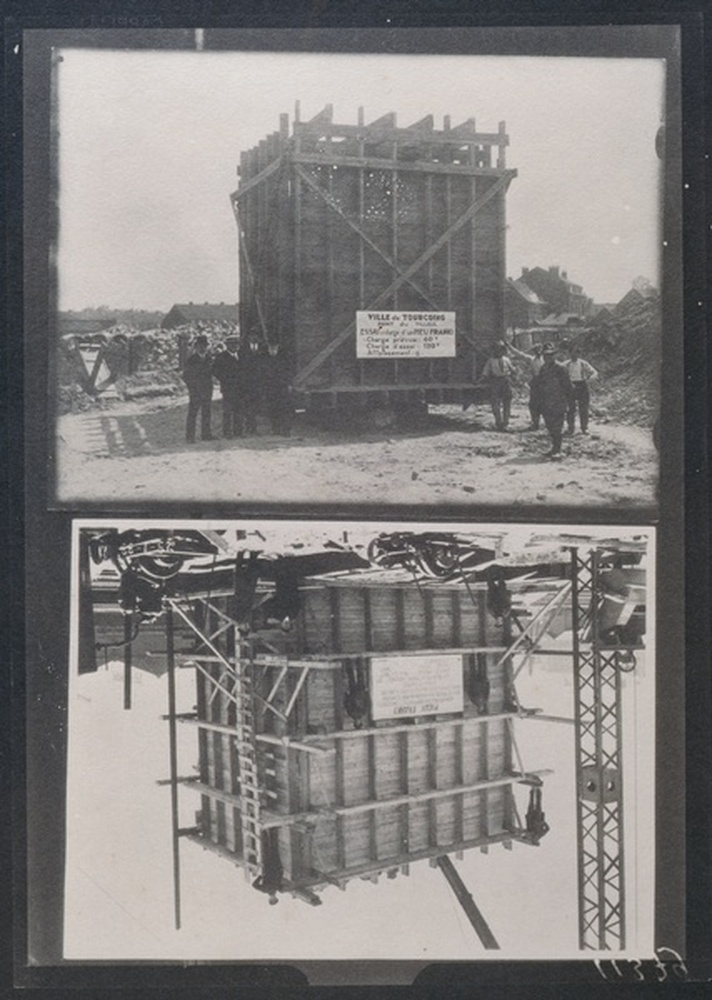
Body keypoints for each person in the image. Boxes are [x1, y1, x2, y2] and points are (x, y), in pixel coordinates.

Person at [537, 344, 573, 459]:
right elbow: (540, 385)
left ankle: (557, 449)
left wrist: (569, 401)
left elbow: (567, 386)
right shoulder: (543, 368)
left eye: (550, 355)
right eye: (545, 355)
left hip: (558, 401)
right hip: (546, 401)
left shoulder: (560, 368)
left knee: (557, 426)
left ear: (554, 356)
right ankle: (554, 447)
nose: (547, 358)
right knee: (549, 425)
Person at [182, 334, 214, 442]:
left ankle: (206, 434)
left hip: (207, 389)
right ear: (196, 347)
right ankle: (190, 437)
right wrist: (193, 388)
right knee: (193, 413)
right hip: (195, 390)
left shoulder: (209, 358)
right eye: (200, 346)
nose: (202, 348)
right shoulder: (191, 360)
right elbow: (186, 376)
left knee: (207, 412)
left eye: (204, 346)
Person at [211, 336, 243, 438]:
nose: (235, 347)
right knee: (228, 411)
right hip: (228, 387)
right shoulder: (221, 357)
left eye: (236, 344)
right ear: (227, 346)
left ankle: (238, 431)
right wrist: (225, 379)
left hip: (239, 387)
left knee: (239, 410)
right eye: (232, 344)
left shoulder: (241, 356)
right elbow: (215, 371)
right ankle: (227, 432)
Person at [508, 341, 545, 429]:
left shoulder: (546, 360)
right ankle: (535, 422)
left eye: (540, 350)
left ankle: (547, 422)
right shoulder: (531, 359)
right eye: (536, 350)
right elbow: (519, 354)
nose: (538, 352)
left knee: (546, 402)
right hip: (536, 382)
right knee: (533, 403)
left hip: (545, 381)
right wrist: (509, 346)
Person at [565, 345, 598, 434]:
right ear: (569, 353)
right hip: (570, 386)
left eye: (577, 352)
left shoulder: (583, 363)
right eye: (573, 352)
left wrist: (588, 380)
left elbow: (594, 372)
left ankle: (584, 428)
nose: (574, 354)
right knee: (570, 408)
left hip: (582, 385)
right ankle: (570, 428)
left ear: (579, 354)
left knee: (584, 408)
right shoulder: (566, 364)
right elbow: (559, 374)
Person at [481, 342, 514, 430]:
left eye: (501, 349)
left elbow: (512, 369)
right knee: (495, 402)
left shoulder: (506, 359)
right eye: (497, 349)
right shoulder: (491, 361)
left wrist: (515, 376)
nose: (499, 352)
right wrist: (479, 380)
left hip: (506, 381)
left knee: (507, 401)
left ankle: (506, 422)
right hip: (495, 381)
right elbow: (485, 373)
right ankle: (498, 422)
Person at [261, 343, 293, 436]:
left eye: (274, 348)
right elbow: (262, 374)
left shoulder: (284, 359)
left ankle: (286, 430)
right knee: (273, 409)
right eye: (271, 348)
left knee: (285, 409)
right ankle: (275, 429)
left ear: (278, 348)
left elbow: (289, 372)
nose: (272, 350)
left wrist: (289, 384)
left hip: (282, 387)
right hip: (270, 388)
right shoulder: (265, 360)